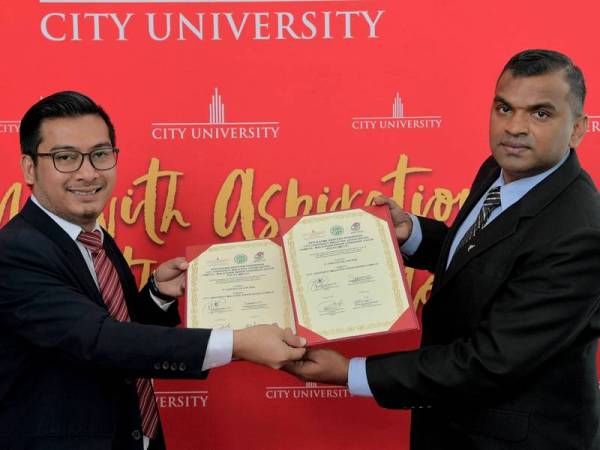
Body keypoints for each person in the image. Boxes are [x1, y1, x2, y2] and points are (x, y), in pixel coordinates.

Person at [286, 49, 600, 449]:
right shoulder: (501, 167)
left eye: (540, 113)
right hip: (454, 420)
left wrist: (353, 372)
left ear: (577, 129)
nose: (514, 127)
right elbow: (488, 256)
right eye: (504, 108)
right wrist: (412, 234)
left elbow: (490, 360)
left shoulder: (580, 234)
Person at [0, 91, 306, 450]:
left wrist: (157, 295)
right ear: (29, 168)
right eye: (65, 157)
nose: (87, 172)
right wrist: (237, 343)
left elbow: (123, 332)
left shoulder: (93, 237)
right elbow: (98, 340)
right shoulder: (14, 251)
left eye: (100, 155)